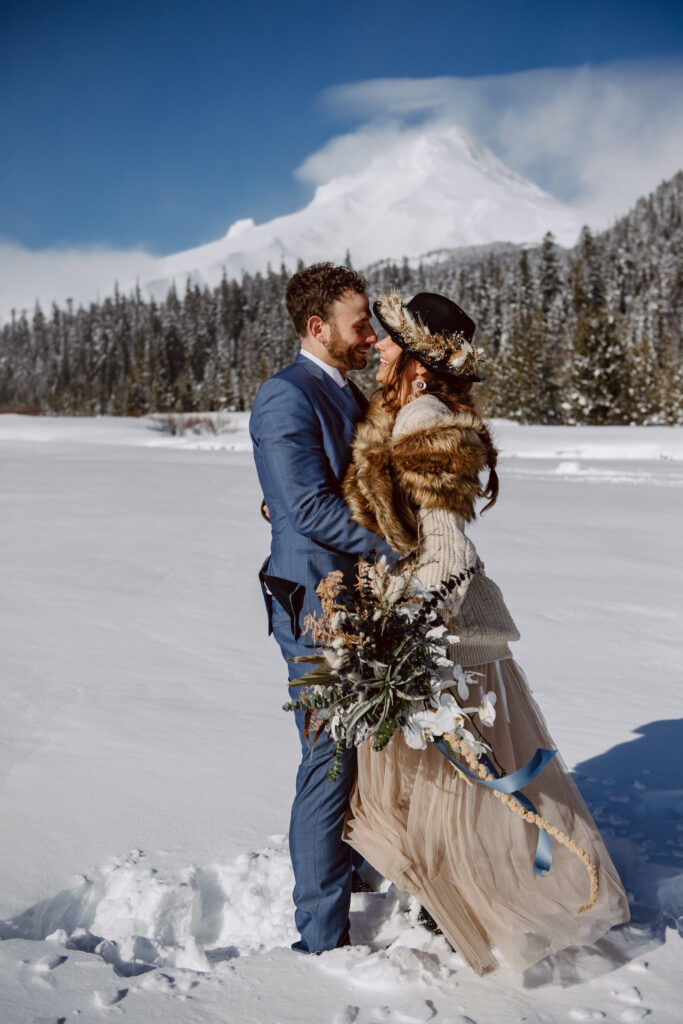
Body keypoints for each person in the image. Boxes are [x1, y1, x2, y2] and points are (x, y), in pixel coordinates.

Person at [341, 290, 630, 974]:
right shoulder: (407, 410)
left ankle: (480, 902)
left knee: (464, 785)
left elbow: (449, 551)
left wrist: (404, 625)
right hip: (430, 619)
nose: (378, 347)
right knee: (455, 783)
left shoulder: (422, 415)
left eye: (389, 339)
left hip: (441, 629)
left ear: (417, 357)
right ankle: (448, 897)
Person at [249, 263, 394, 954]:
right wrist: (395, 548)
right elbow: (305, 506)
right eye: (358, 323)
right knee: (328, 759)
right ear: (317, 327)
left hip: (358, 597)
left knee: (360, 748)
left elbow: (322, 485)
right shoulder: (285, 395)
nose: (369, 335)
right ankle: (319, 937)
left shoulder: (347, 392)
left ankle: (356, 868)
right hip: (315, 606)